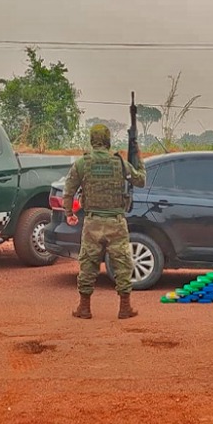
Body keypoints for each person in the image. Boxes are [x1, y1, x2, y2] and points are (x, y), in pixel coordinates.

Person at [62, 123, 146, 319]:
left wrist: (69, 213)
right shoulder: (120, 163)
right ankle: (124, 308)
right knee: (123, 265)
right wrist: (137, 156)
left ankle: (84, 308)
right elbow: (141, 180)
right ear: (108, 141)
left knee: (88, 264)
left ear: (92, 140)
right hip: (116, 222)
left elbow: (69, 190)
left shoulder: (82, 164)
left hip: (92, 223)